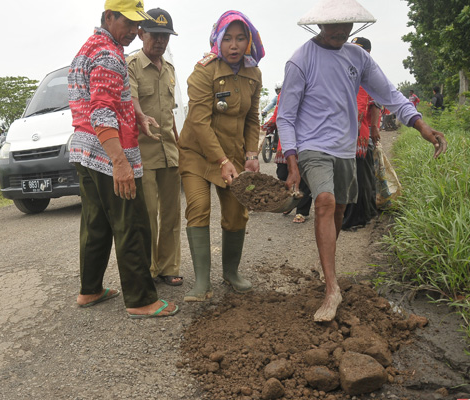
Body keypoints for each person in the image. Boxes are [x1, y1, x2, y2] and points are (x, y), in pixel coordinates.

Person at [277, 0, 447, 322]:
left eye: (346, 25)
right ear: (319, 23)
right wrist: (293, 160)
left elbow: (390, 95)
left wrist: (421, 125)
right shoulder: (300, 60)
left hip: (345, 148)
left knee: (339, 209)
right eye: (333, 25)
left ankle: (326, 262)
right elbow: (285, 117)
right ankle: (331, 288)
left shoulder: (358, 57)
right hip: (313, 146)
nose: (340, 31)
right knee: (325, 203)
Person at [67, 0, 178, 318]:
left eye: (136, 24)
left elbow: (117, 99)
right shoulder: (109, 55)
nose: (133, 30)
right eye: (127, 23)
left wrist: (138, 117)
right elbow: (101, 110)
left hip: (84, 150)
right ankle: (142, 299)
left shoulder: (90, 47)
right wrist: (120, 162)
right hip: (107, 153)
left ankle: (90, 290)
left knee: (96, 223)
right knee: (132, 223)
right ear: (108, 17)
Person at [179, 10, 264, 302]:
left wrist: (251, 152)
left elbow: (252, 118)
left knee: (236, 213)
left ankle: (231, 272)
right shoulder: (204, 72)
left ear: (249, 40)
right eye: (227, 38)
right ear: (217, 39)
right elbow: (200, 122)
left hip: (233, 155)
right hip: (197, 154)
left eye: (241, 38)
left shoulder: (254, 73)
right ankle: (202, 282)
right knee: (199, 207)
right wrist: (221, 161)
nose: (234, 45)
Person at [127, 9, 183, 286]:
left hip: (170, 151)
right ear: (141, 33)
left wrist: (179, 143)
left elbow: (170, 112)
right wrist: (140, 116)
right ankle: (147, 270)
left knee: (172, 214)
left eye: (165, 36)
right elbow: (133, 100)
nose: (160, 41)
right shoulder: (132, 65)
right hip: (144, 153)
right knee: (148, 214)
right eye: (155, 35)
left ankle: (168, 267)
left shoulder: (170, 70)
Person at [342, 37, 380, 231]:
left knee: (356, 177)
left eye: (358, 50)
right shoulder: (350, 72)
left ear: (367, 52)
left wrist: (374, 128)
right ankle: (365, 213)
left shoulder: (366, 74)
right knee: (360, 176)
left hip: (356, 134)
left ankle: (355, 218)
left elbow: (370, 106)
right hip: (351, 133)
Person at [270, 90, 313, 224]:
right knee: (283, 173)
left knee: (304, 177)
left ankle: (302, 211)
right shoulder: (283, 94)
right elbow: (278, 113)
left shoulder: (312, 91)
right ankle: (289, 202)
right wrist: (270, 124)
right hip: (286, 140)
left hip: (306, 138)